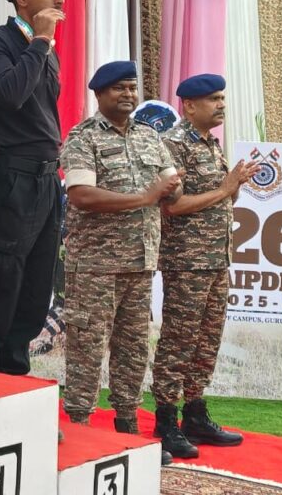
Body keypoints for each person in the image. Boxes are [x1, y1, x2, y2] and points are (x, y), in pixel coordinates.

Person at [60, 60, 181, 466]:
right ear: (99, 93)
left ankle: (128, 427)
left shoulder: (149, 137)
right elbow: (81, 195)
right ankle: (79, 428)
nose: (128, 95)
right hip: (95, 265)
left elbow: (171, 185)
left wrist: (168, 189)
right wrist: (145, 197)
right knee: (87, 348)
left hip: (140, 262)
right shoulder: (83, 138)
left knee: (133, 349)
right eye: (119, 88)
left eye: (132, 88)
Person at [0, 0, 78, 375]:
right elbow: (9, 94)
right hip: (11, 176)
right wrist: (42, 40)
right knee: (0, 281)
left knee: (36, 287)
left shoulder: (43, 49)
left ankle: (14, 375)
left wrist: (42, 44)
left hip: (47, 179)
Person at [152, 74, 256, 458]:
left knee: (206, 341)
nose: (221, 104)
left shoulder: (210, 143)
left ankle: (194, 413)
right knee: (178, 341)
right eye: (213, 99)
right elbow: (173, 206)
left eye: (222, 98)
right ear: (190, 106)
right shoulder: (173, 144)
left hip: (215, 259)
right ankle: (165, 419)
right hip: (187, 261)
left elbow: (221, 199)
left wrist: (234, 186)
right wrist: (226, 188)